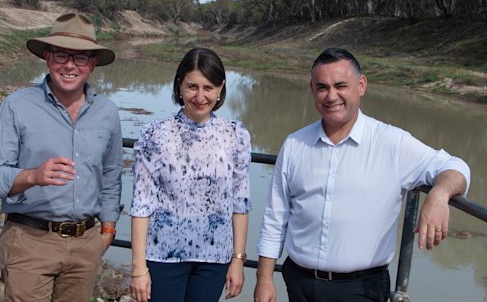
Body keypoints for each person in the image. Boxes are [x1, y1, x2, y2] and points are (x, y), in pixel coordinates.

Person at [254, 47, 470, 302]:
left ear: (361, 85)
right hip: (299, 282)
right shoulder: (294, 144)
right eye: (322, 87)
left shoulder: (392, 143)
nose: (331, 95)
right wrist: (265, 278)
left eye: (340, 85)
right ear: (312, 89)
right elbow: (275, 217)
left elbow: (456, 166)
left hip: (361, 289)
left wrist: (439, 193)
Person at [0, 13, 123, 302]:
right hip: (30, 240)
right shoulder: (17, 106)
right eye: (61, 55)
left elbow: (111, 176)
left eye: (80, 57)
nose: (70, 65)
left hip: (86, 244)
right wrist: (32, 176)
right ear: (48, 57)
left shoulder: (107, 112)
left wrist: (107, 229)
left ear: (92, 64)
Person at [129, 47, 251, 302]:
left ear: (221, 88)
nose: (200, 96)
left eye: (208, 87)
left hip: (214, 259)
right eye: (192, 86)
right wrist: (139, 268)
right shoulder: (155, 134)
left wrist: (238, 260)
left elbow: (240, 201)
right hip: (163, 258)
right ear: (179, 86)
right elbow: (141, 205)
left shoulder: (235, 134)